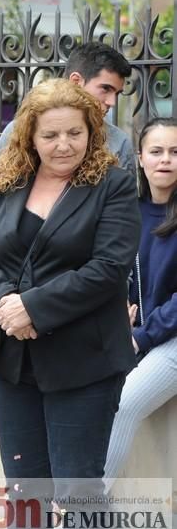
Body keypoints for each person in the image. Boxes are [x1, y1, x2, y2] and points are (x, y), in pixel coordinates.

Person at [0, 79, 140, 529]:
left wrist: (33, 309)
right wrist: (6, 304)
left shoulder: (115, 184)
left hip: (84, 361)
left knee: (78, 491)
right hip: (15, 362)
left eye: (74, 133)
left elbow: (108, 268)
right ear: (30, 137)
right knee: (25, 493)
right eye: (50, 135)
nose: (64, 145)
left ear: (91, 132)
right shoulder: (9, 182)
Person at [104, 117, 177, 487]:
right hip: (131, 333)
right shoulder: (125, 211)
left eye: (175, 152)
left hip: (169, 339)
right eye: (157, 151)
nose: (166, 160)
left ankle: (75, 519)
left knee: (122, 404)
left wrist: (141, 335)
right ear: (140, 158)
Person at [0, 41, 134, 174]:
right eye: (105, 89)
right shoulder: (19, 131)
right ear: (76, 81)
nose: (112, 102)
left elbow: (126, 200)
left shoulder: (119, 143)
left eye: (117, 93)